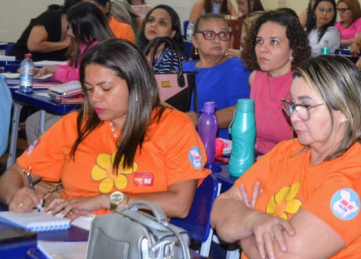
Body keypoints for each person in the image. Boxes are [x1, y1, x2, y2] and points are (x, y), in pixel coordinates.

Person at [210, 56, 361, 259]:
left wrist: (241, 231)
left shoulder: (359, 174)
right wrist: (254, 220)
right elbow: (219, 210)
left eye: (306, 106)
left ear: (343, 111)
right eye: (292, 105)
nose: (294, 117)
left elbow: (286, 258)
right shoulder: (287, 151)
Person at [0, 40, 208, 220]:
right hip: (70, 228)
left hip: (134, 235)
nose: (95, 98)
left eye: (106, 89)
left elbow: (179, 205)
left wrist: (106, 200)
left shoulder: (173, 127)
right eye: (89, 89)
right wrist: (15, 195)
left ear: (136, 84)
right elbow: (15, 174)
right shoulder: (75, 125)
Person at [27, 2, 116, 144]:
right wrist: (54, 70)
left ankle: (51, 157)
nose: (68, 33)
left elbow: (81, 77)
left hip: (92, 110)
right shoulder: (85, 45)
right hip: (81, 106)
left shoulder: (101, 50)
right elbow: (74, 69)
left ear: (84, 27)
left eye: (71, 28)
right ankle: (39, 158)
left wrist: (57, 73)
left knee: (45, 127)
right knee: (32, 122)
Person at [241, 11, 312, 154]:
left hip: (289, 160)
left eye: (274, 42)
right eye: (259, 41)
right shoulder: (255, 78)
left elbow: (308, 146)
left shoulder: (304, 84)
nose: (263, 49)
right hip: (255, 158)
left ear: (293, 49)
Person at [184, 14, 251, 138]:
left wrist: (203, 120)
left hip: (220, 144)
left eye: (223, 35)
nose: (217, 40)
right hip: (181, 140)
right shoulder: (184, 68)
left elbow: (241, 110)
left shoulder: (238, 69)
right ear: (195, 40)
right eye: (209, 34)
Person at [10, 0, 91, 61]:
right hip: (23, 63)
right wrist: (65, 44)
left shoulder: (83, 23)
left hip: (52, 66)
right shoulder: (51, 16)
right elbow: (34, 45)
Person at [138, 5, 184, 74]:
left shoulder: (173, 58)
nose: (153, 25)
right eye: (151, 20)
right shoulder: (137, 53)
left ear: (172, 33)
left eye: (162, 23)